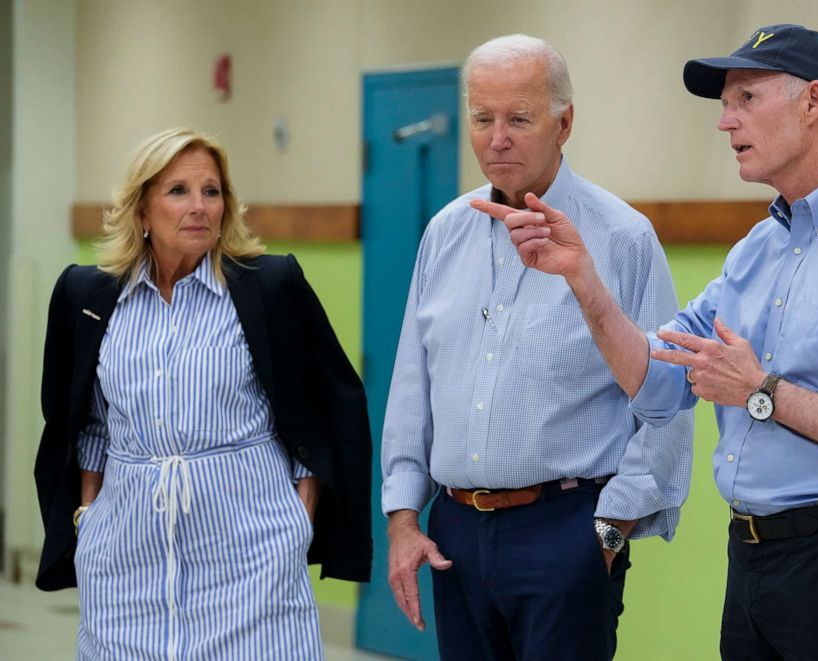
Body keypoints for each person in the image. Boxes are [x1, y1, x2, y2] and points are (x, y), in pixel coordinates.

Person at [475, 24, 818, 660]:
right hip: (753, 558)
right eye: (723, 103)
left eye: (745, 99)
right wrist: (583, 280)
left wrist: (761, 392)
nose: (724, 121)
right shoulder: (757, 249)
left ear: (813, 102)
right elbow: (658, 379)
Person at [381, 34, 693, 660]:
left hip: (566, 532)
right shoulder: (445, 232)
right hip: (457, 534)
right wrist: (403, 519)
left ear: (564, 122)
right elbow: (413, 384)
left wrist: (606, 533)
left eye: (519, 119)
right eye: (482, 118)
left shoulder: (623, 237)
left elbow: (669, 397)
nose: (498, 138)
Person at [34, 127, 372, 660]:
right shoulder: (87, 294)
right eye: (178, 192)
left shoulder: (269, 286)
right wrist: (87, 515)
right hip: (126, 551)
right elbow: (84, 423)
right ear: (141, 210)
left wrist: (297, 523)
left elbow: (326, 407)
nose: (200, 207)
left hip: (250, 551)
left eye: (211, 192)